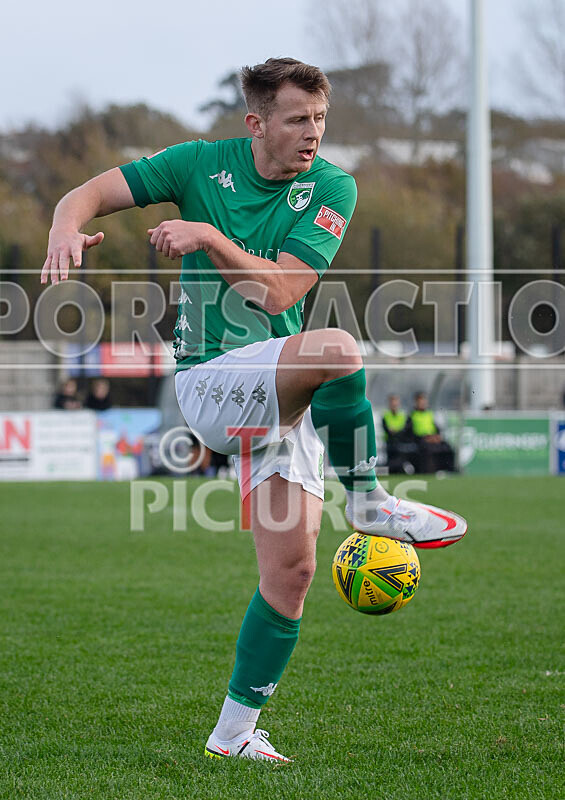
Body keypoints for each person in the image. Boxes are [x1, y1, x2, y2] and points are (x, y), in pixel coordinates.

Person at [41, 57, 467, 763]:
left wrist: (206, 237)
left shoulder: (331, 186)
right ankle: (366, 501)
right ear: (256, 123)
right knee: (335, 347)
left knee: (292, 574)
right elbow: (85, 194)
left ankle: (231, 734)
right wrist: (64, 226)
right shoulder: (196, 165)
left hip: (275, 394)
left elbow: (279, 292)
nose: (312, 134)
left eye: (320, 119)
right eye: (297, 119)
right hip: (211, 385)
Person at [406, 392, 456, 474]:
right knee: (427, 449)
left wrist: (436, 437)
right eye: (420, 402)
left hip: (432, 438)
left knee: (447, 447)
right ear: (416, 403)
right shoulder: (412, 415)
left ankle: (449, 470)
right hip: (420, 440)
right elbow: (410, 432)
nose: (423, 403)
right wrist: (425, 437)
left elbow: (436, 428)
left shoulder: (429, 414)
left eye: (424, 401)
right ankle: (430, 471)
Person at [381, 394, 417, 474]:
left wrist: (396, 431)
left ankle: (401, 467)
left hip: (401, 441)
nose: (394, 405)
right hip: (390, 442)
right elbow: (387, 429)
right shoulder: (386, 416)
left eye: (395, 402)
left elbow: (406, 429)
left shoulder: (403, 415)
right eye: (392, 403)